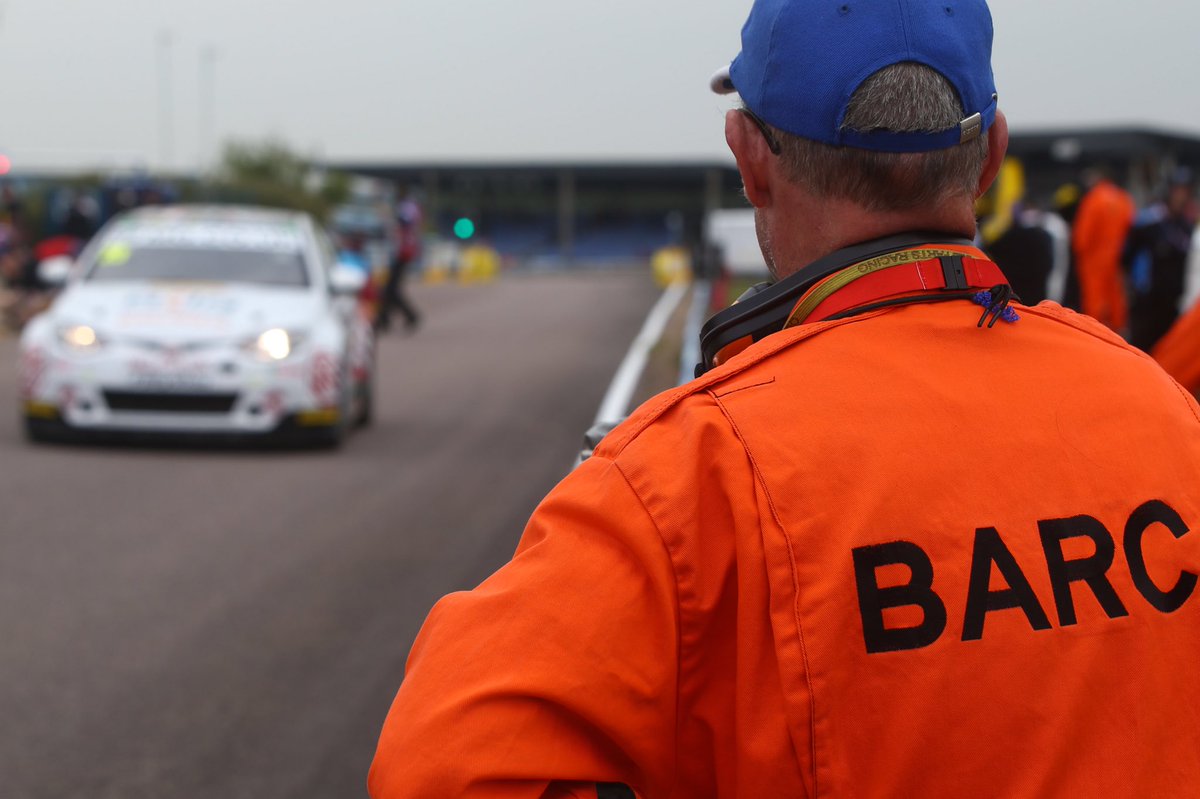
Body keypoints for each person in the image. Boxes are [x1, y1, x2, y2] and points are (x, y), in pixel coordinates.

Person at [370, 1, 1200, 796]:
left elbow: (443, 768)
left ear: (750, 157)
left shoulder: (684, 478)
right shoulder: (1162, 409)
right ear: (990, 158)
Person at [1126, 169, 1197, 351]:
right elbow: (1125, 258)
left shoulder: (1187, 228)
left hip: (1174, 303)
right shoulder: (1149, 223)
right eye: (1177, 191)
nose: (1180, 197)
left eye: (1185, 192)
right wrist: (1133, 289)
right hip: (1147, 302)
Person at [1072, 168, 1136, 332]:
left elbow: (1081, 239)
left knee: (1095, 301)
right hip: (1116, 260)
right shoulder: (1124, 199)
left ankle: (1095, 335)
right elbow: (1132, 231)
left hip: (1094, 260)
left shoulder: (1094, 199)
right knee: (1115, 300)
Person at [374, 190, 422, 332]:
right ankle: (385, 319)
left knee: (390, 289)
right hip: (399, 253)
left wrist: (391, 216)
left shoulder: (408, 206)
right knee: (390, 290)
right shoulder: (405, 207)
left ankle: (406, 316)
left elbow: (405, 221)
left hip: (403, 254)